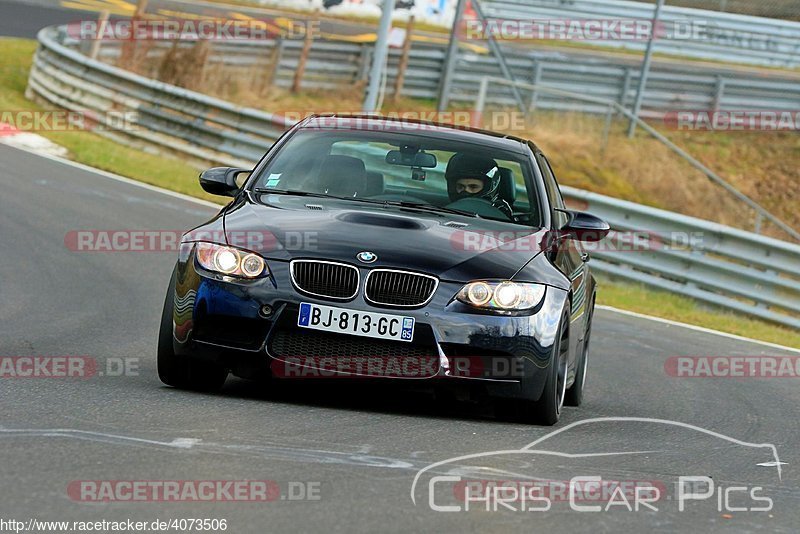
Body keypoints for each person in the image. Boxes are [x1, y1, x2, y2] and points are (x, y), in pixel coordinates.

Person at [445, 153, 513, 218]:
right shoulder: (441, 210)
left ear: (488, 187)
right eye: (460, 186)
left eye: (473, 187)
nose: (466, 191)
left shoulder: (501, 213)